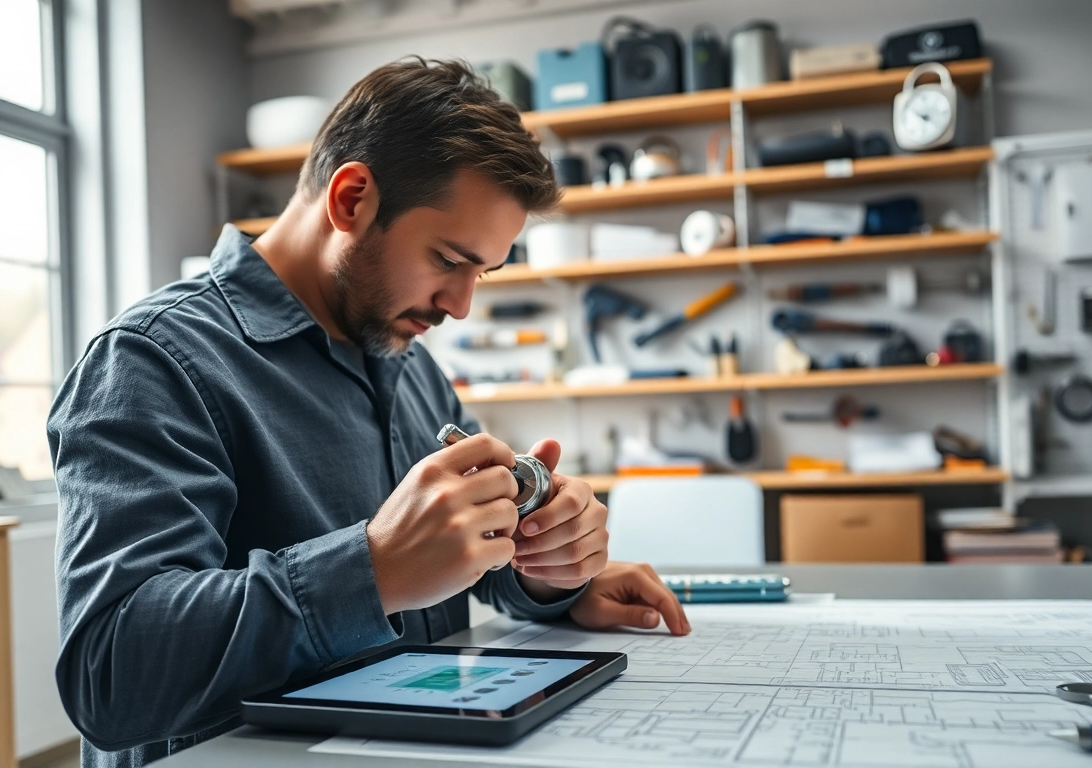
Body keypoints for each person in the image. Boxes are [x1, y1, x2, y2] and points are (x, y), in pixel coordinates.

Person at [48, 57, 690, 767]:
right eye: (448, 260)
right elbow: (109, 675)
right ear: (351, 198)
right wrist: (373, 569)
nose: (461, 305)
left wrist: (549, 572)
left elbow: (463, 561)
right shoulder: (151, 361)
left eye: (482, 272)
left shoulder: (408, 362)